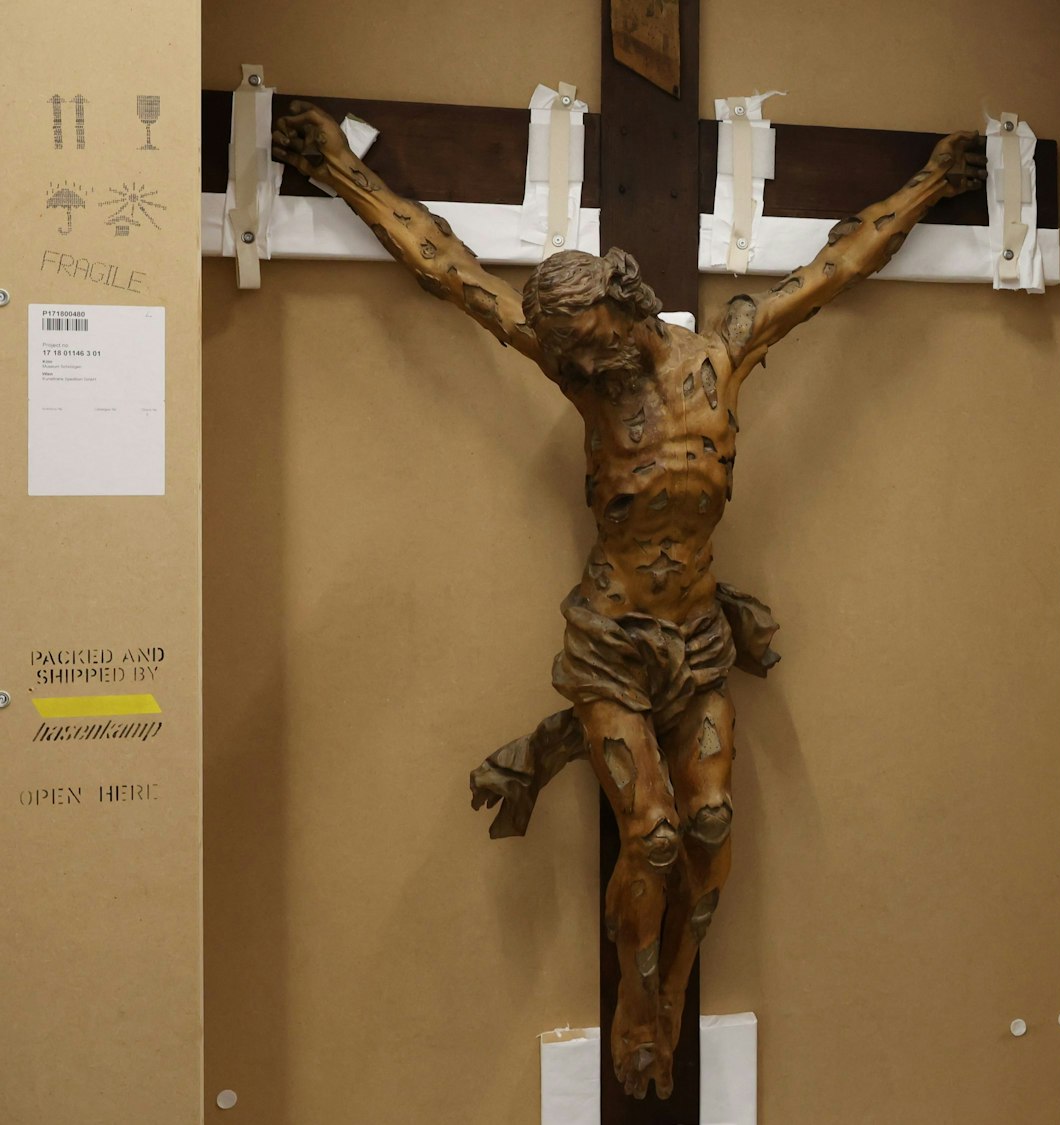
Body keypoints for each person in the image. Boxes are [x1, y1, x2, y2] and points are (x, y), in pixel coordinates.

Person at [270, 100, 986, 1099]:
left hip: (696, 639)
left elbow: (837, 266)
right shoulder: (588, 387)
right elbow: (448, 269)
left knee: (709, 823)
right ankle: (633, 1002)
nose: (569, 362)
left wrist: (933, 184)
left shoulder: (722, 358)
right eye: (559, 351)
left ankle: (673, 990)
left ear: (622, 304)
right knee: (648, 832)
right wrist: (341, 168)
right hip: (610, 641)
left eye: (582, 341)